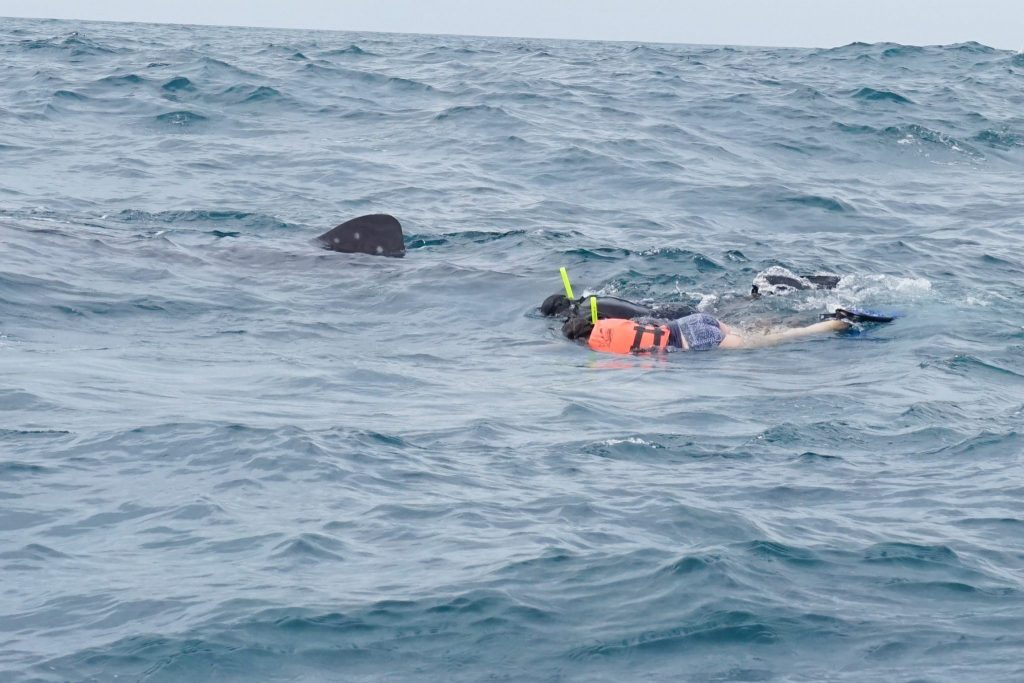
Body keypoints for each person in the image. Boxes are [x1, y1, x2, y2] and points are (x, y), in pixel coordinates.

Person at [562, 311, 852, 354]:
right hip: (688, 322)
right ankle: (814, 315)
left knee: (769, 343)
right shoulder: (607, 322)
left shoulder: (598, 348)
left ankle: (828, 325)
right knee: (751, 331)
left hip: (691, 341)